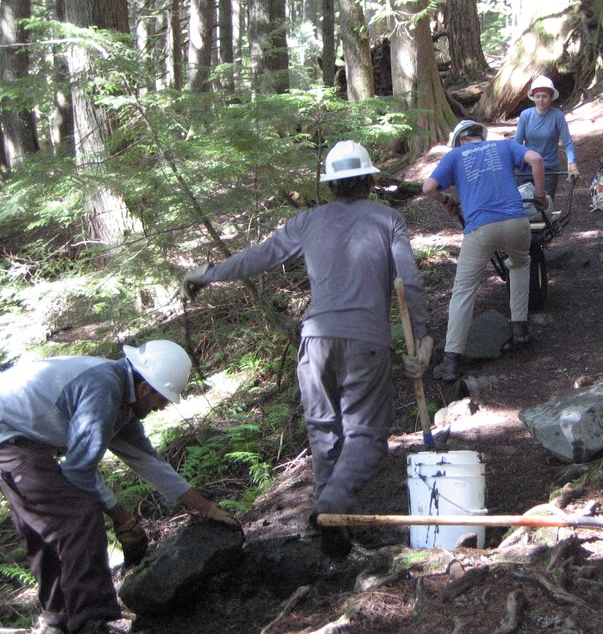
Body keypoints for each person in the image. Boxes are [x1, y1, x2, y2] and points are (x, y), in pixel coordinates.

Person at [180, 140, 431, 560]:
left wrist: (208, 273)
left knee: (322, 427)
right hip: (367, 341)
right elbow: (410, 282)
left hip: (314, 342)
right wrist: (421, 338)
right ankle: (331, 509)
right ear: (370, 180)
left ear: (330, 186)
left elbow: (259, 257)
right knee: (365, 432)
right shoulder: (388, 219)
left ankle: (327, 519)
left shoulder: (307, 221)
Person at [0, 340, 240, 634]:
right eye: (162, 400)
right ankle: (91, 623)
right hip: (2, 433)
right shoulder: (104, 391)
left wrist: (205, 507)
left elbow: (147, 460)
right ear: (145, 389)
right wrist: (123, 518)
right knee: (79, 516)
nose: (161, 408)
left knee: (46, 525)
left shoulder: (122, 396)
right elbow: (79, 471)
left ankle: (58, 620)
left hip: (14, 433)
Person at [423, 120, 546, 382]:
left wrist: (447, 200)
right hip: (516, 221)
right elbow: (535, 158)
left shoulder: (454, 156)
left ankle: (451, 360)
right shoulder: (503, 145)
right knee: (520, 264)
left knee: (464, 289)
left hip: (480, 228)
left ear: (459, 141)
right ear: (481, 136)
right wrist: (540, 194)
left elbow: (429, 188)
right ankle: (520, 329)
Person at [514, 75, 578, 198]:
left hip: (549, 167)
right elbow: (517, 142)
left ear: (551, 98)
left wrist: (572, 163)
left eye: (544, 96)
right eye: (537, 96)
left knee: (545, 203)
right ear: (533, 98)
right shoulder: (525, 115)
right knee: (522, 201)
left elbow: (567, 141)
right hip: (527, 165)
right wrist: (513, 163)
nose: (541, 100)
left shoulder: (557, 116)